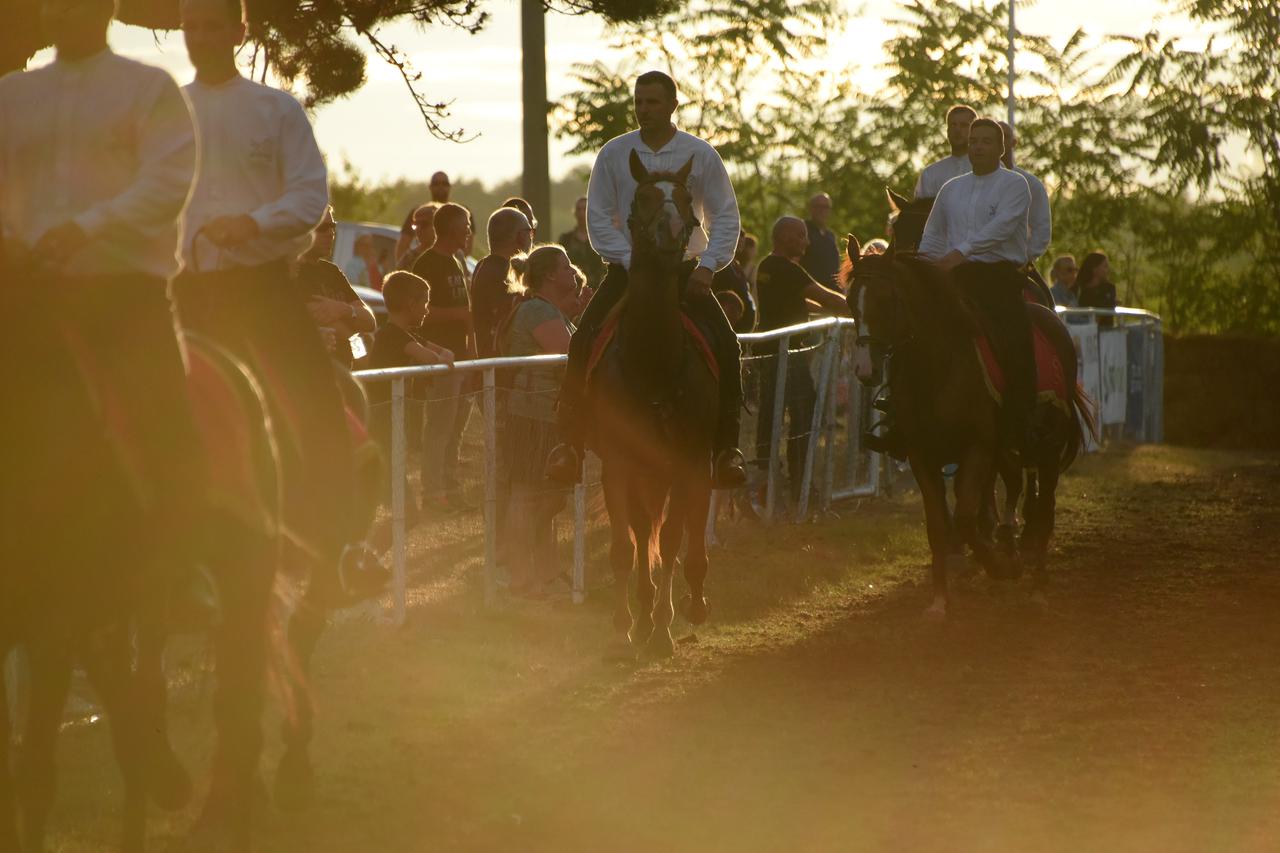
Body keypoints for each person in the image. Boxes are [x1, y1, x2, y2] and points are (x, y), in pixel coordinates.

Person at [0, 0, 205, 605]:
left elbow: (168, 181)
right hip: (26, 289)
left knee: (166, 419)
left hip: (121, 292)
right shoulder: (11, 95)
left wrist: (88, 227)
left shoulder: (149, 90)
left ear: (106, 8)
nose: (61, 11)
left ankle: (184, 567)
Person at [176, 0, 355, 562]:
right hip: (182, 292)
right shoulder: (166, 114)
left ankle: (339, 541)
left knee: (314, 397)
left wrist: (252, 223)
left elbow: (309, 195)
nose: (200, 37)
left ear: (238, 30)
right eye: (191, 27)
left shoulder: (276, 111)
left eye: (211, 26)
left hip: (261, 287)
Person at [544, 69, 747, 489]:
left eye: (653, 102)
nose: (643, 110)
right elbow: (597, 216)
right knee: (584, 339)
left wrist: (708, 267)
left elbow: (724, 216)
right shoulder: (614, 154)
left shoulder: (701, 154)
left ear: (673, 105)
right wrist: (630, 258)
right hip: (627, 271)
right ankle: (570, 443)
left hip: (688, 274)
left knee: (726, 342)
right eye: (638, 102)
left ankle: (727, 449)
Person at [918, 117, 1036, 454]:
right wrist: (926, 269)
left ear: (1001, 148)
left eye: (986, 141)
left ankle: (1022, 422)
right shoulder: (950, 188)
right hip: (955, 278)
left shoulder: (1015, 185)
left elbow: (1000, 229)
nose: (978, 147)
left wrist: (959, 254)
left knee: (1015, 341)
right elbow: (932, 236)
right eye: (973, 141)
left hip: (998, 279)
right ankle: (903, 416)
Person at [498, 245, 580, 598]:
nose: (572, 271)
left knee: (550, 497)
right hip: (531, 414)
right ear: (549, 275)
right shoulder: (535, 310)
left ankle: (546, 573)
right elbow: (572, 355)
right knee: (528, 494)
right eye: (566, 267)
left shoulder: (550, 310)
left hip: (549, 414)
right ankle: (518, 575)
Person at [755, 216, 849, 502]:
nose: (807, 242)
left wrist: (821, 312)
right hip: (786, 354)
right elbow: (826, 297)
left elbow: (795, 300)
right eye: (802, 236)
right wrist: (858, 306)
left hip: (768, 351)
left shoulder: (767, 266)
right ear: (786, 237)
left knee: (770, 414)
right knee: (803, 413)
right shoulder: (788, 270)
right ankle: (799, 481)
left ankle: (768, 476)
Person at [365, 271, 454, 547]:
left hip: (391, 436)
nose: (428, 309)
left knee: (404, 513)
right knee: (405, 513)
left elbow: (448, 357)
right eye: (425, 303)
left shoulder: (407, 334)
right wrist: (435, 355)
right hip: (379, 437)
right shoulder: (392, 336)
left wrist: (438, 355)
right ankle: (361, 558)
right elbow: (432, 358)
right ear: (410, 305)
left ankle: (362, 558)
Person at [411, 202, 475, 511]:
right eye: (465, 226)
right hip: (439, 358)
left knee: (456, 429)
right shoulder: (428, 264)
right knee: (439, 428)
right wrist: (460, 315)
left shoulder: (458, 260)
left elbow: (468, 317)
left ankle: (451, 488)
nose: (469, 232)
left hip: (460, 357)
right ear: (450, 229)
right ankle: (432, 494)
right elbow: (419, 313)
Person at [296, 206, 376, 368]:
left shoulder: (332, 271)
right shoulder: (294, 271)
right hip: (315, 369)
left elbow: (369, 321)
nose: (330, 233)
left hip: (344, 368)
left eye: (333, 227)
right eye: (322, 228)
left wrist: (343, 309)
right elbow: (326, 321)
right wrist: (358, 346)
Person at [471, 206, 534, 359]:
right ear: (520, 237)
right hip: (500, 365)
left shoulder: (485, 266)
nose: (532, 238)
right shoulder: (501, 273)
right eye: (530, 232)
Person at [997, 121, 1051, 268]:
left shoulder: (1031, 184)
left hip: (1016, 266)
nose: (1000, 141)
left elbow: (1042, 228)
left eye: (1004, 136)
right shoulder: (970, 182)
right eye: (995, 137)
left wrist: (1024, 258)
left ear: (1013, 142)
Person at [915, 104, 977, 199]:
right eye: (953, 125)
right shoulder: (930, 174)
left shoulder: (993, 167)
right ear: (947, 131)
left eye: (964, 125)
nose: (957, 130)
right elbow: (921, 212)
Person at [713, 230, 757, 333]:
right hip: (727, 329)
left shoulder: (736, 265)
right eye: (738, 236)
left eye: (742, 238)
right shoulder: (721, 266)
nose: (741, 241)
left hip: (741, 331)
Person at [558, 196, 606, 290]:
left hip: (598, 290)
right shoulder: (566, 239)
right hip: (572, 289)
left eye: (585, 209)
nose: (581, 213)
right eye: (578, 209)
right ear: (574, 213)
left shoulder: (600, 238)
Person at [801, 192, 841, 288]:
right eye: (818, 206)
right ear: (811, 208)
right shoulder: (802, 230)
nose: (822, 210)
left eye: (826, 207)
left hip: (831, 293)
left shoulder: (830, 236)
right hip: (810, 291)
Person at [1077, 250, 1118, 327]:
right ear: (1094, 268)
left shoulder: (1109, 288)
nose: (1107, 270)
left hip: (1106, 331)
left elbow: (1107, 308)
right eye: (1105, 266)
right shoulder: (1079, 289)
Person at [397, 203, 439, 270]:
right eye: (416, 225)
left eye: (424, 224)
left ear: (437, 225)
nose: (418, 229)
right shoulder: (408, 259)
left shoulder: (452, 254)